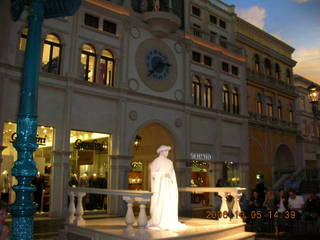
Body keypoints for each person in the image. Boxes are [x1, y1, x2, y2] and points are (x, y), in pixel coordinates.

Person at [147, 145, 186, 230]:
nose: (167, 153)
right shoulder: (156, 161)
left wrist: (171, 180)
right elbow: (153, 174)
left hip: (168, 186)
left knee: (168, 202)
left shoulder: (169, 162)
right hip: (160, 187)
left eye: (168, 151)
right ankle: (158, 219)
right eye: (165, 151)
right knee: (161, 202)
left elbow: (173, 175)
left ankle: (168, 218)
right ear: (161, 152)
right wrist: (162, 174)